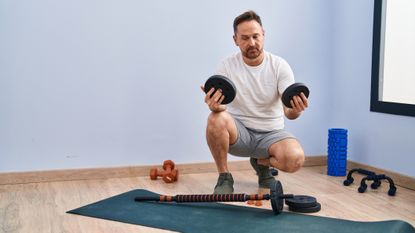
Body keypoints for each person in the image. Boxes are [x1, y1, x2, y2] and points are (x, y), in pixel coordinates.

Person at [201, 10, 309, 194]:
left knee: (296, 159)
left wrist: (297, 109)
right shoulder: (226, 65)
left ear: (263, 35)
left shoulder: (279, 66)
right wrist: (216, 106)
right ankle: (224, 177)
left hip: (271, 135)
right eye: (244, 38)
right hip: (240, 134)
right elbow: (222, 107)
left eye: (255, 36)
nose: (251, 43)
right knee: (215, 117)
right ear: (235, 40)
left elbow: (289, 113)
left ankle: (261, 164)